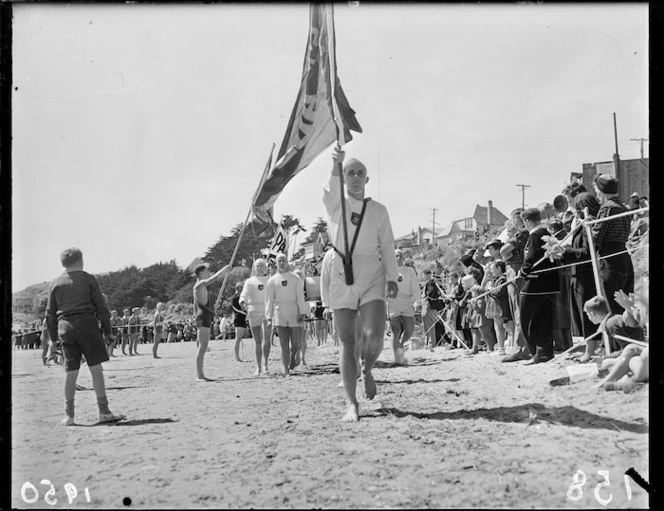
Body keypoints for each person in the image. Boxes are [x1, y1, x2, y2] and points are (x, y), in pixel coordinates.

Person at [321, 147, 399, 422]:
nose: (355, 177)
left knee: (375, 335)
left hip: (371, 271)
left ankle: (368, 368)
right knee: (347, 341)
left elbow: (388, 244)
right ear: (344, 178)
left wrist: (392, 276)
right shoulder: (335, 204)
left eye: (360, 173)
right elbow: (329, 187)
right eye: (350, 173)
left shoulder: (378, 210)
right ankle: (352, 404)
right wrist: (335, 165)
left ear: (367, 180)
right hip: (342, 271)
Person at [45, 247, 125, 426]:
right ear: (81, 261)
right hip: (87, 324)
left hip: (65, 326)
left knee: (70, 372)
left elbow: (49, 315)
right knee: (95, 369)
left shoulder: (55, 283)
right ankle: (103, 411)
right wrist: (108, 332)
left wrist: (52, 341)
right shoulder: (89, 279)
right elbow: (102, 309)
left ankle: (69, 416)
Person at [518, 207, 560, 364]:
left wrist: (523, 272)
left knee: (528, 320)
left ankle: (537, 353)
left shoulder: (535, 235)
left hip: (535, 284)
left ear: (527, 221)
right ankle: (545, 353)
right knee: (545, 321)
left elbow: (531, 257)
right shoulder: (548, 234)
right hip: (549, 284)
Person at [592, 173, 635, 315]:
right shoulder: (624, 209)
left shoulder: (607, 208)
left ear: (602, 191)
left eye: (597, 190)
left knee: (611, 307)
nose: (596, 194)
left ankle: (615, 337)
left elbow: (595, 238)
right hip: (624, 258)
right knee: (625, 306)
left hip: (610, 261)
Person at [562, 193, 600, 343]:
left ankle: (592, 347)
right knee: (580, 313)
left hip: (585, 274)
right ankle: (588, 346)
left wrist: (565, 252)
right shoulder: (581, 225)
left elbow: (586, 252)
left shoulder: (588, 225)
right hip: (577, 272)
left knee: (587, 314)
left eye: (576, 210)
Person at [265, 252, 308, 376]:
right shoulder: (272, 281)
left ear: (287, 261)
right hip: (279, 311)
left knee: (296, 344)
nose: (282, 263)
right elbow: (269, 300)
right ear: (276, 263)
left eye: (284, 260)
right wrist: (269, 317)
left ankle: (294, 356)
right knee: (283, 342)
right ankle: (285, 367)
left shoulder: (296, 278)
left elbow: (300, 297)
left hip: (294, 310)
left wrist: (302, 312)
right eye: (279, 261)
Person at [193, 261, 231, 381]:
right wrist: (224, 269)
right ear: (201, 272)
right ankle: (199, 375)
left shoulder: (200, 286)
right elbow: (213, 278)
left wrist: (211, 309)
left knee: (202, 346)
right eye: (206, 271)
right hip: (202, 317)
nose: (208, 273)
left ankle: (200, 374)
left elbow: (199, 304)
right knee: (202, 346)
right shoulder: (199, 284)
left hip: (204, 315)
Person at [388, 249, 421, 363]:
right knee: (395, 331)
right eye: (396, 256)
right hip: (393, 301)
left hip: (407, 301)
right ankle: (397, 358)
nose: (399, 258)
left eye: (401, 255)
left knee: (410, 330)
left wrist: (417, 301)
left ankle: (401, 345)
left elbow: (415, 287)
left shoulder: (409, 271)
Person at [240, 258, 271, 375]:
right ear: (254, 268)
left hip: (267, 310)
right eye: (257, 266)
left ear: (265, 267)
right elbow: (244, 294)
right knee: (257, 340)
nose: (259, 268)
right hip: (253, 310)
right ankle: (258, 366)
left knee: (267, 337)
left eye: (261, 265)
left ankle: (266, 364)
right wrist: (242, 301)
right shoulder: (249, 281)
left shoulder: (270, 280)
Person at [484, 260, 512, 355]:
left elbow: (499, 292)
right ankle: (502, 347)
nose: (491, 271)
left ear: (499, 268)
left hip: (499, 307)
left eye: (492, 269)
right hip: (494, 308)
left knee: (501, 328)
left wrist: (490, 289)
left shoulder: (502, 279)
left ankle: (502, 348)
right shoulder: (494, 279)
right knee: (498, 328)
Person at [231, 281, 248, 363]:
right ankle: (236, 357)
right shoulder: (235, 297)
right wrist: (246, 312)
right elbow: (238, 309)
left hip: (242, 318)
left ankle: (237, 357)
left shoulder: (241, 297)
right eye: (241, 287)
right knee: (238, 338)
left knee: (239, 338)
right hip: (239, 318)